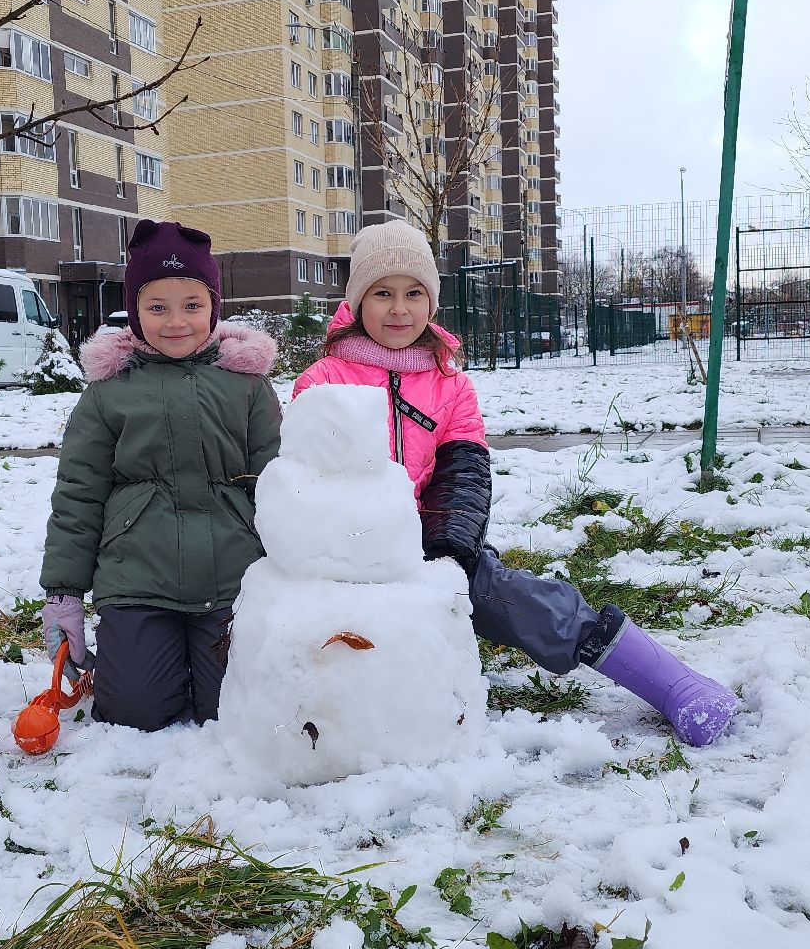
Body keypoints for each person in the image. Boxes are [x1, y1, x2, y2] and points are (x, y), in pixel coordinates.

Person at [293, 222, 737, 746]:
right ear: (357, 302)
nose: (399, 309)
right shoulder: (324, 380)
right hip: (345, 560)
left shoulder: (451, 386)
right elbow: (307, 478)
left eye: (414, 293)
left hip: (431, 548)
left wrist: (449, 551)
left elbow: (463, 471)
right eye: (382, 294)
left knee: (523, 600)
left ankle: (671, 683)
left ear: (431, 302)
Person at [39, 220, 281, 731]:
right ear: (134, 310)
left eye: (191, 305)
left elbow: (280, 484)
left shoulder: (248, 388)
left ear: (213, 306)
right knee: (134, 712)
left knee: (232, 711)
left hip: (232, 577)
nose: (175, 322)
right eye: (157, 307)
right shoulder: (109, 393)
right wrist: (64, 592)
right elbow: (79, 494)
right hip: (137, 579)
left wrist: (294, 572)